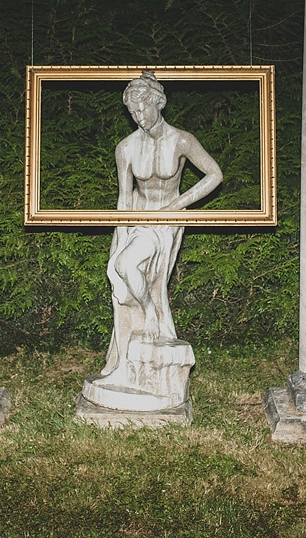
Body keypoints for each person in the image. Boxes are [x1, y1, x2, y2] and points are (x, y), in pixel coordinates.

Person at [92, 71, 223, 392]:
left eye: (143, 110)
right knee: (119, 272)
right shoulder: (126, 147)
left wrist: (177, 205)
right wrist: (119, 239)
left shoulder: (181, 140)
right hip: (136, 218)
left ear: (158, 103)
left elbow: (214, 175)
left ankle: (151, 319)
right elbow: (124, 197)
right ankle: (126, 359)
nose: (138, 118)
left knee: (133, 271)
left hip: (167, 220)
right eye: (132, 113)